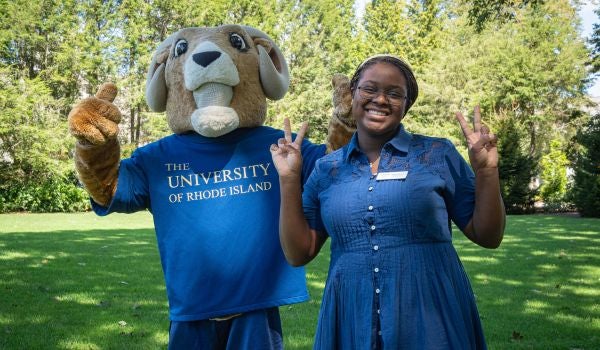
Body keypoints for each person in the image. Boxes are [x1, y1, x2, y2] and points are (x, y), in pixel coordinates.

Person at [270, 55, 505, 349]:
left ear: (406, 105)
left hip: (431, 317)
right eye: (370, 89)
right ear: (352, 93)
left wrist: (486, 171)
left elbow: (488, 235)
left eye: (394, 93)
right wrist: (289, 179)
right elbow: (298, 253)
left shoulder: (436, 154)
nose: (380, 99)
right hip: (351, 316)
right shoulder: (326, 169)